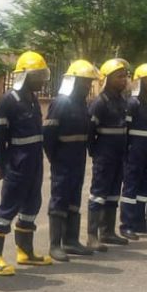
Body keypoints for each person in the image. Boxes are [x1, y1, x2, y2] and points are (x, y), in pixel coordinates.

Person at [0, 51, 52, 273]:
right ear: (25, 76)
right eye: (39, 75)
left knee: (32, 205)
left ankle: (25, 252)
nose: (43, 79)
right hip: (18, 163)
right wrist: (0, 164)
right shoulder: (9, 100)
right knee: (7, 208)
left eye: (44, 75)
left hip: (34, 162)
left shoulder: (32, 99)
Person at [44, 60, 100, 261]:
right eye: (84, 82)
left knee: (74, 199)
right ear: (73, 81)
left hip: (78, 158)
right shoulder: (61, 103)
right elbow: (49, 135)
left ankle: (71, 240)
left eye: (89, 82)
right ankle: (55, 244)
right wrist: (55, 159)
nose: (87, 86)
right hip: (63, 159)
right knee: (59, 198)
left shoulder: (81, 104)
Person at [86, 58, 131, 251]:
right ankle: (92, 236)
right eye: (119, 76)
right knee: (98, 195)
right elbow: (90, 131)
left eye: (125, 76)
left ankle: (108, 232)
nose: (124, 80)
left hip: (119, 155)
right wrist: (95, 152)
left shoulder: (122, 101)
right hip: (104, 155)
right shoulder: (100, 103)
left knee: (113, 194)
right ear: (108, 79)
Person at [120, 62, 147, 238]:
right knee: (131, 188)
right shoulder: (132, 103)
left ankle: (139, 222)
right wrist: (127, 153)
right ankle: (127, 224)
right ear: (139, 82)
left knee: (144, 187)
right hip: (134, 151)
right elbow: (125, 131)